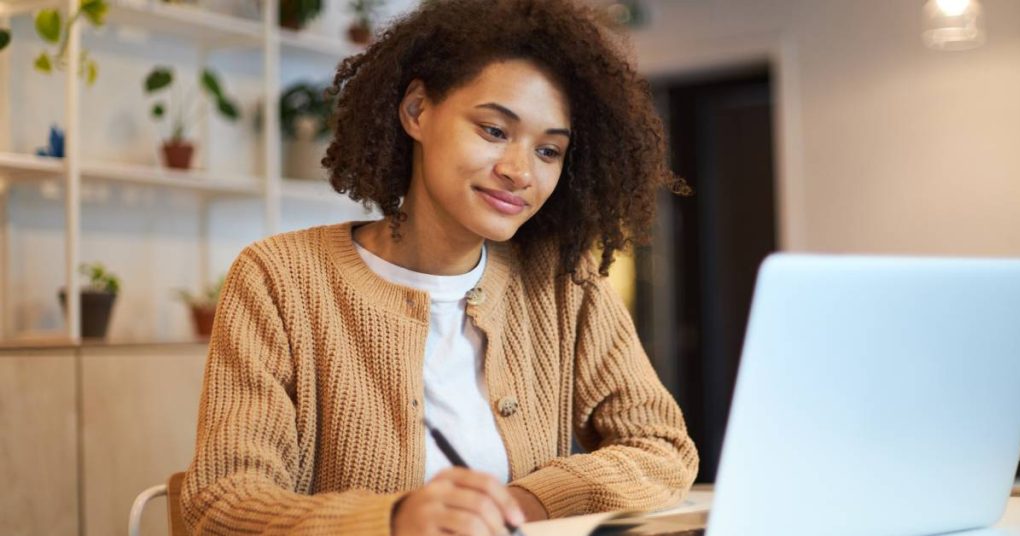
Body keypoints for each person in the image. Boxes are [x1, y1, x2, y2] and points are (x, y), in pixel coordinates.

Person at [180, 0, 699, 534]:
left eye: (549, 151)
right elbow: (222, 503)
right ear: (417, 112)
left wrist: (526, 502)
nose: (520, 171)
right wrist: (393, 520)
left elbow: (660, 446)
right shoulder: (279, 279)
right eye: (494, 131)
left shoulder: (564, 283)